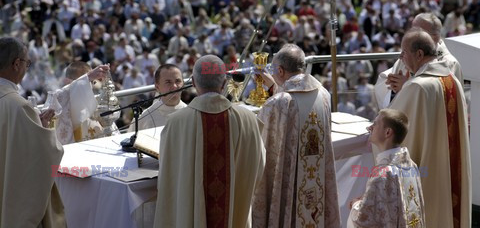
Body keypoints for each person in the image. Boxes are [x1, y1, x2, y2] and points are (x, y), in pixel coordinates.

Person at [154, 55, 265, 227]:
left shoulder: (176, 123)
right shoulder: (248, 120)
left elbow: (168, 178)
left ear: (193, 82)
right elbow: (259, 168)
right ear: (224, 84)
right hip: (235, 217)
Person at [252, 44, 340, 228]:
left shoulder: (277, 103)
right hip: (316, 186)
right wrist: (274, 86)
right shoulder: (323, 94)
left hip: (290, 185)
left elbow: (260, 145)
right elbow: (294, 102)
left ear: (281, 70)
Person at [389, 29, 471, 228]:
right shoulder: (453, 80)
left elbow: (393, 133)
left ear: (418, 54)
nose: (401, 59)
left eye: (403, 53)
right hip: (451, 169)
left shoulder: (417, 87)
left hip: (430, 174)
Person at [0, 37, 65, 227]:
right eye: (27, 63)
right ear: (16, 64)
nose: (27, 67)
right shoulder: (20, 107)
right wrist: (44, 131)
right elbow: (44, 156)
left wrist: (37, 124)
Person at [348, 109, 426, 227]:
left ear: (388, 132)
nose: (370, 128)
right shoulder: (411, 166)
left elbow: (362, 220)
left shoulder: (381, 174)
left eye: (375, 124)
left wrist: (356, 204)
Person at [374, 12, 463, 109]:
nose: (411, 34)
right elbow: (387, 84)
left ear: (435, 37)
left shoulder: (449, 64)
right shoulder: (408, 54)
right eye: (411, 30)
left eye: (417, 31)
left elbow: (443, 102)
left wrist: (406, 87)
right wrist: (392, 83)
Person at [55, 61, 115, 144]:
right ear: (68, 83)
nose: (89, 86)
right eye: (85, 83)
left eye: (92, 82)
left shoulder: (94, 101)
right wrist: (89, 77)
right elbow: (62, 93)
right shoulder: (59, 99)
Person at [128, 64, 187, 131]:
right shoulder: (144, 118)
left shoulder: (192, 114)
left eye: (178, 81)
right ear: (157, 87)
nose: (174, 86)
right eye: (168, 82)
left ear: (183, 84)